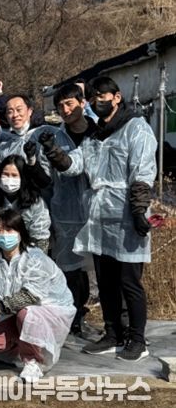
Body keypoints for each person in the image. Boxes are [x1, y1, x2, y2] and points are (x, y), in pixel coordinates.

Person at [40, 76, 157, 361]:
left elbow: (142, 171)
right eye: (93, 98)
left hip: (127, 217)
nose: (98, 102)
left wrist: (139, 210)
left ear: (116, 97)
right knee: (106, 281)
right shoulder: (95, 136)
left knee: (129, 282)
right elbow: (74, 165)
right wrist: (54, 151)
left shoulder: (136, 128)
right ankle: (112, 333)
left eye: (102, 96)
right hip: (100, 218)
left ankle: (137, 339)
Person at [0, 209, 75, 382]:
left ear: (20, 233)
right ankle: (26, 347)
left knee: (26, 313)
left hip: (46, 311)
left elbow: (31, 296)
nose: (4, 235)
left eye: (9, 230)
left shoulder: (35, 259)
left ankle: (33, 361)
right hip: (11, 312)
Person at [46, 84, 97, 334]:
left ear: (83, 103)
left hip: (99, 212)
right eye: (60, 106)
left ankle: (118, 325)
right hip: (66, 213)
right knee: (71, 270)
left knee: (106, 269)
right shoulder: (55, 138)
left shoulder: (100, 133)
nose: (65, 110)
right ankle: (75, 316)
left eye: (69, 104)